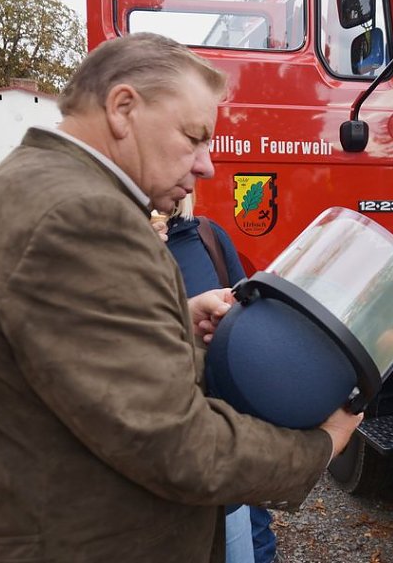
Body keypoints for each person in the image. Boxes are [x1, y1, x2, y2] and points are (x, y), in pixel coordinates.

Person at [0, 32, 360, 563]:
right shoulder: (81, 215)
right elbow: (174, 445)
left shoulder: (27, 184)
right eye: (194, 136)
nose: (208, 165)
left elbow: (49, 350)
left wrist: (176, 318)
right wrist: (322, 446)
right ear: (123, 108)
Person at [160, 194, 277, 563]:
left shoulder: (207, 236)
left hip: (222, 428)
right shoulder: (105, 246)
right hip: (158, 446)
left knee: (248, 540)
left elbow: (245, 314)